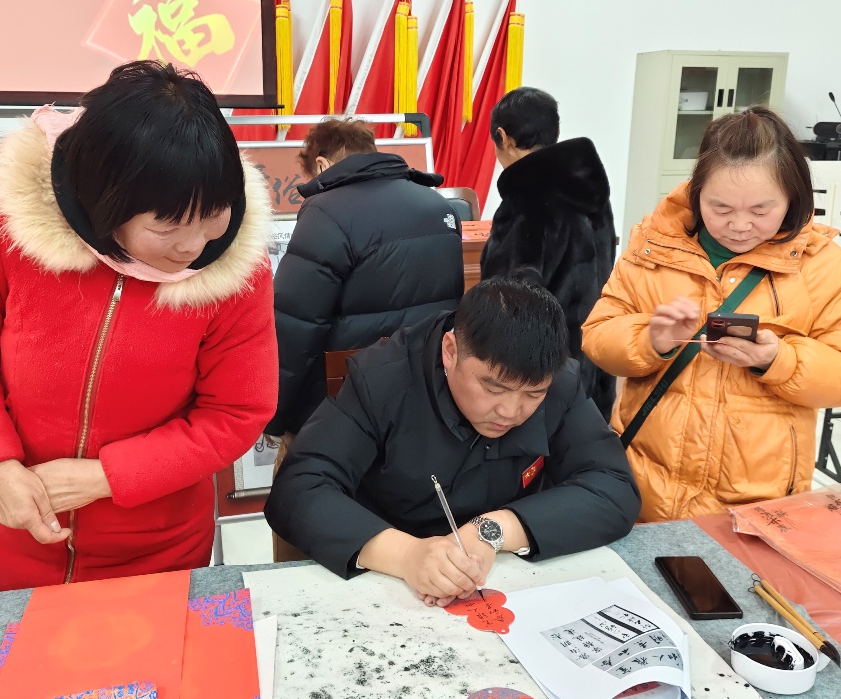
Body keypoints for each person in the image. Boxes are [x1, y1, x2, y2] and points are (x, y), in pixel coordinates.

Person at [0, 61, 277, 591]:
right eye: (167, 227)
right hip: (13, 541)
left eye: (214, 216)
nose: (194, 246)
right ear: (107, 204)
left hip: (160, 554)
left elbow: (236, 411)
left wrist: (107, 477)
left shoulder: (236, 272)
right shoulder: (6, 229)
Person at [265, 275, 640, 604]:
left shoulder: (560, 383)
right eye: (493, 388)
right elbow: (298, 488)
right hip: (390, 583)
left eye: (533, 394)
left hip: (503, 576)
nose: (511, 411)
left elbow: (614, 487)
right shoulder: (384, 378)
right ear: (450, 352)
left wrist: (494, 531)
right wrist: (406, 555)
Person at [582, 106, 841, 522]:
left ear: (792, 196)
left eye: (760, 210)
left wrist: (778, 360)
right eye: (720, 208)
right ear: (696, 192)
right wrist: (650, 340)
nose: (739, 226)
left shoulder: (821, 267)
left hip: (757, 503)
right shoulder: (654, 245)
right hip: (645, 485)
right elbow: (597, 334)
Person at [267, 118, 464, 442]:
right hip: (424, 398)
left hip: (343, 406)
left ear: (322, 165)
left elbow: (294, 327)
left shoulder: (326, 211)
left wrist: (275, 417)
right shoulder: (439, 205)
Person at [480, 87, 618, 418]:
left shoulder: (525, 199)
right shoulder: (591, 193)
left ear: (504, 137)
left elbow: (506, 301)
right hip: (593, 358)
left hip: (541, 374)